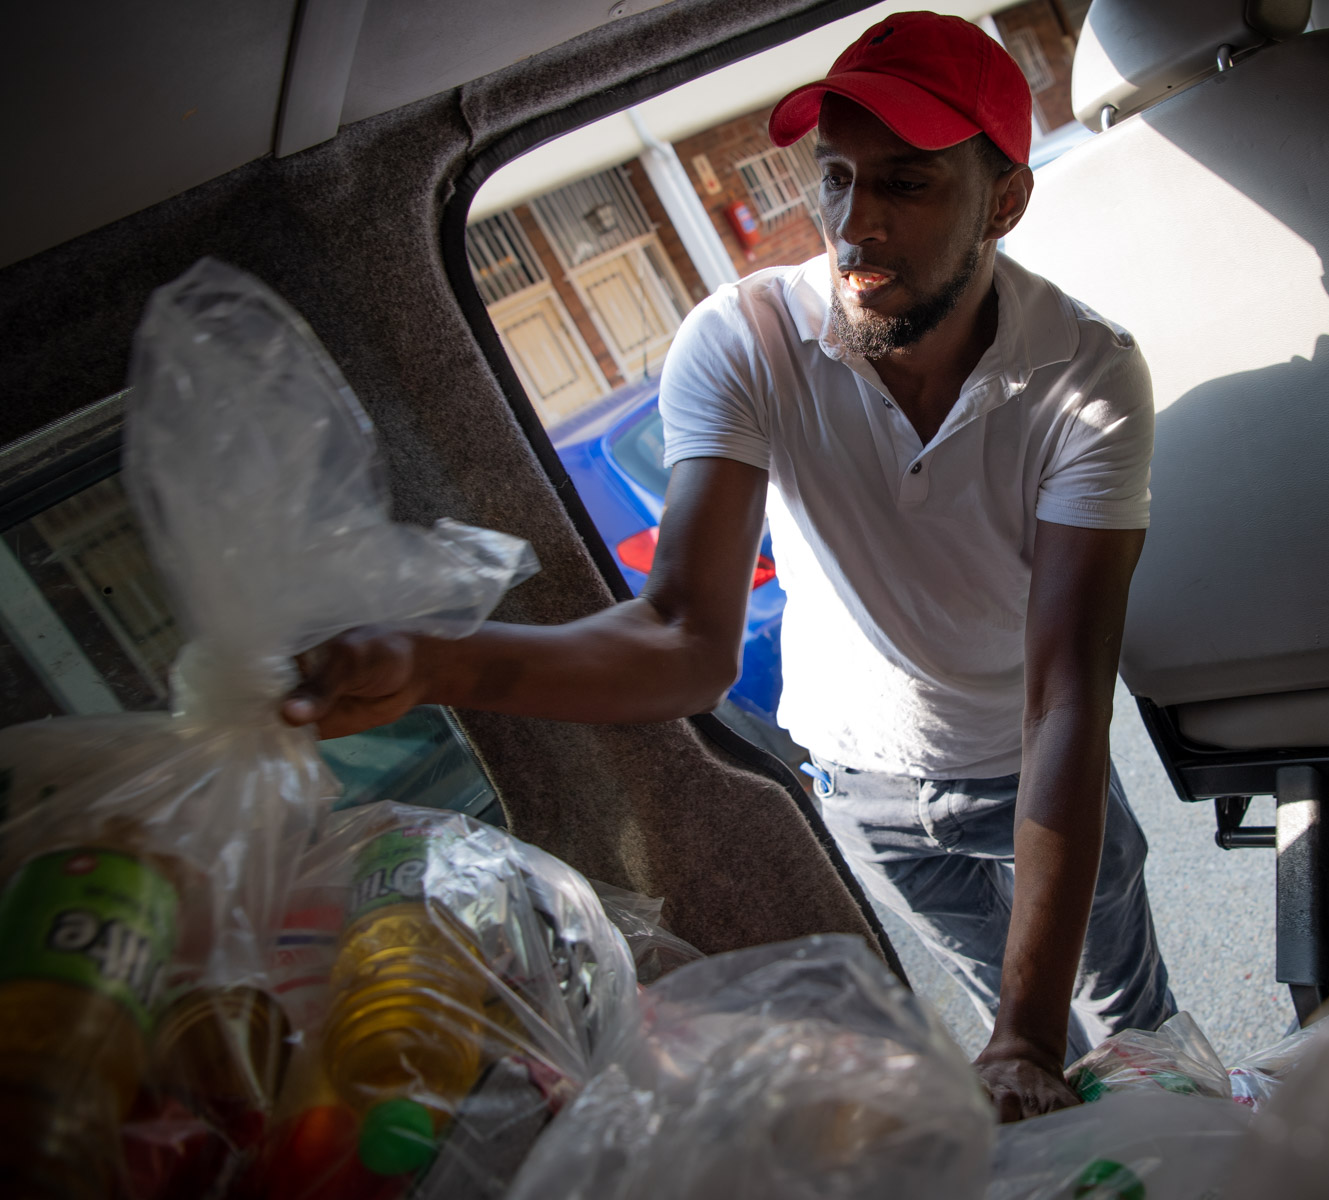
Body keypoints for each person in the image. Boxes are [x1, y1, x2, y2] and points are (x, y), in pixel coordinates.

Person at [283, 11, 1174, 1120]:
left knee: (1132, 1043)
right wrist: (429, 664)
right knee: (1017, 1064)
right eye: (838, 179)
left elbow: (1068, 703)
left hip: (1031, 769)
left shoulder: (1087, 375)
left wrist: (1029, 1040)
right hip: (862, 785)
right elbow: (682, 641)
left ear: (1004, 201)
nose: (858, 225)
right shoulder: (745, 338)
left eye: (908, 184)